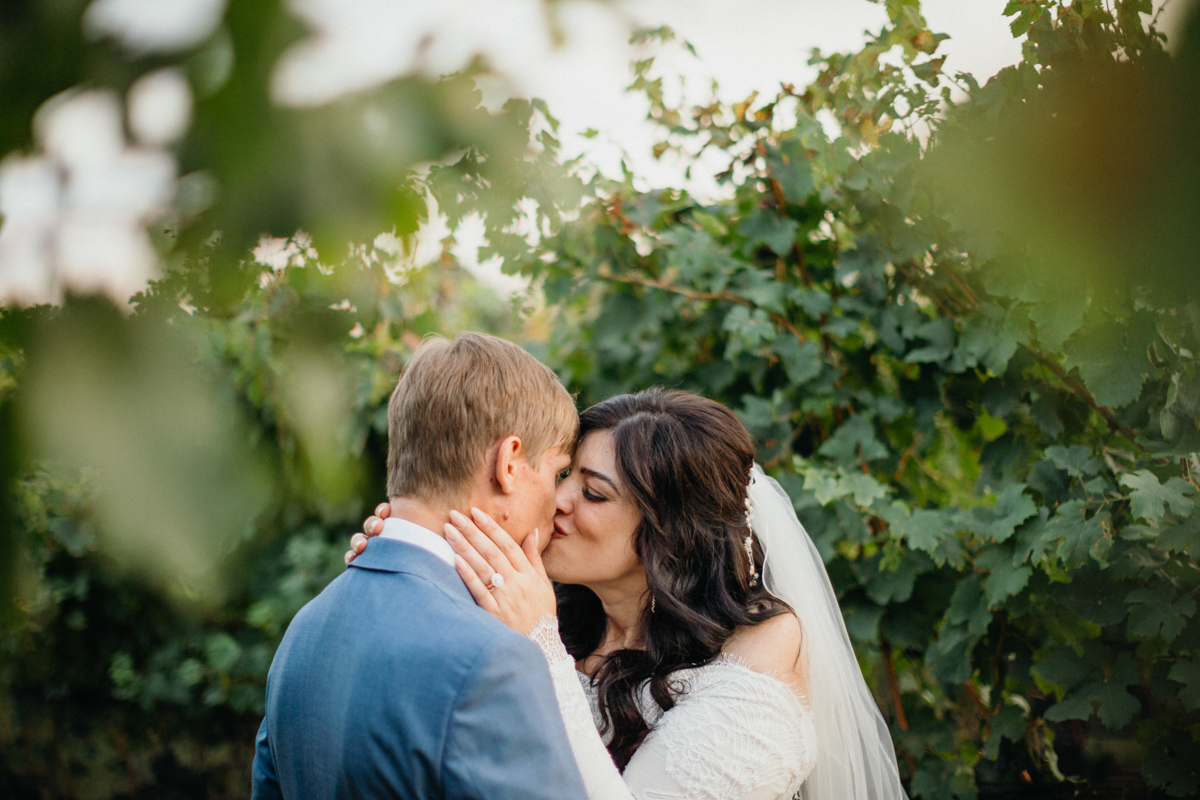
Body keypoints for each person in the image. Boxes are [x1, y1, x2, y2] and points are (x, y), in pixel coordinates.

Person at [350, 388, 909, 800]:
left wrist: (540, 644)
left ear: (670, 534)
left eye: (592, 492)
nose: (558, 501)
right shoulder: (550, 608)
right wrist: (409, 546)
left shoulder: (758, 661)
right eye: (565, 475)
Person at [251, 332, 588, 800]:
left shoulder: (304, 630)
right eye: (558, 474)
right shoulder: (495, 661)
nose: (559, 502)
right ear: (509, 463)